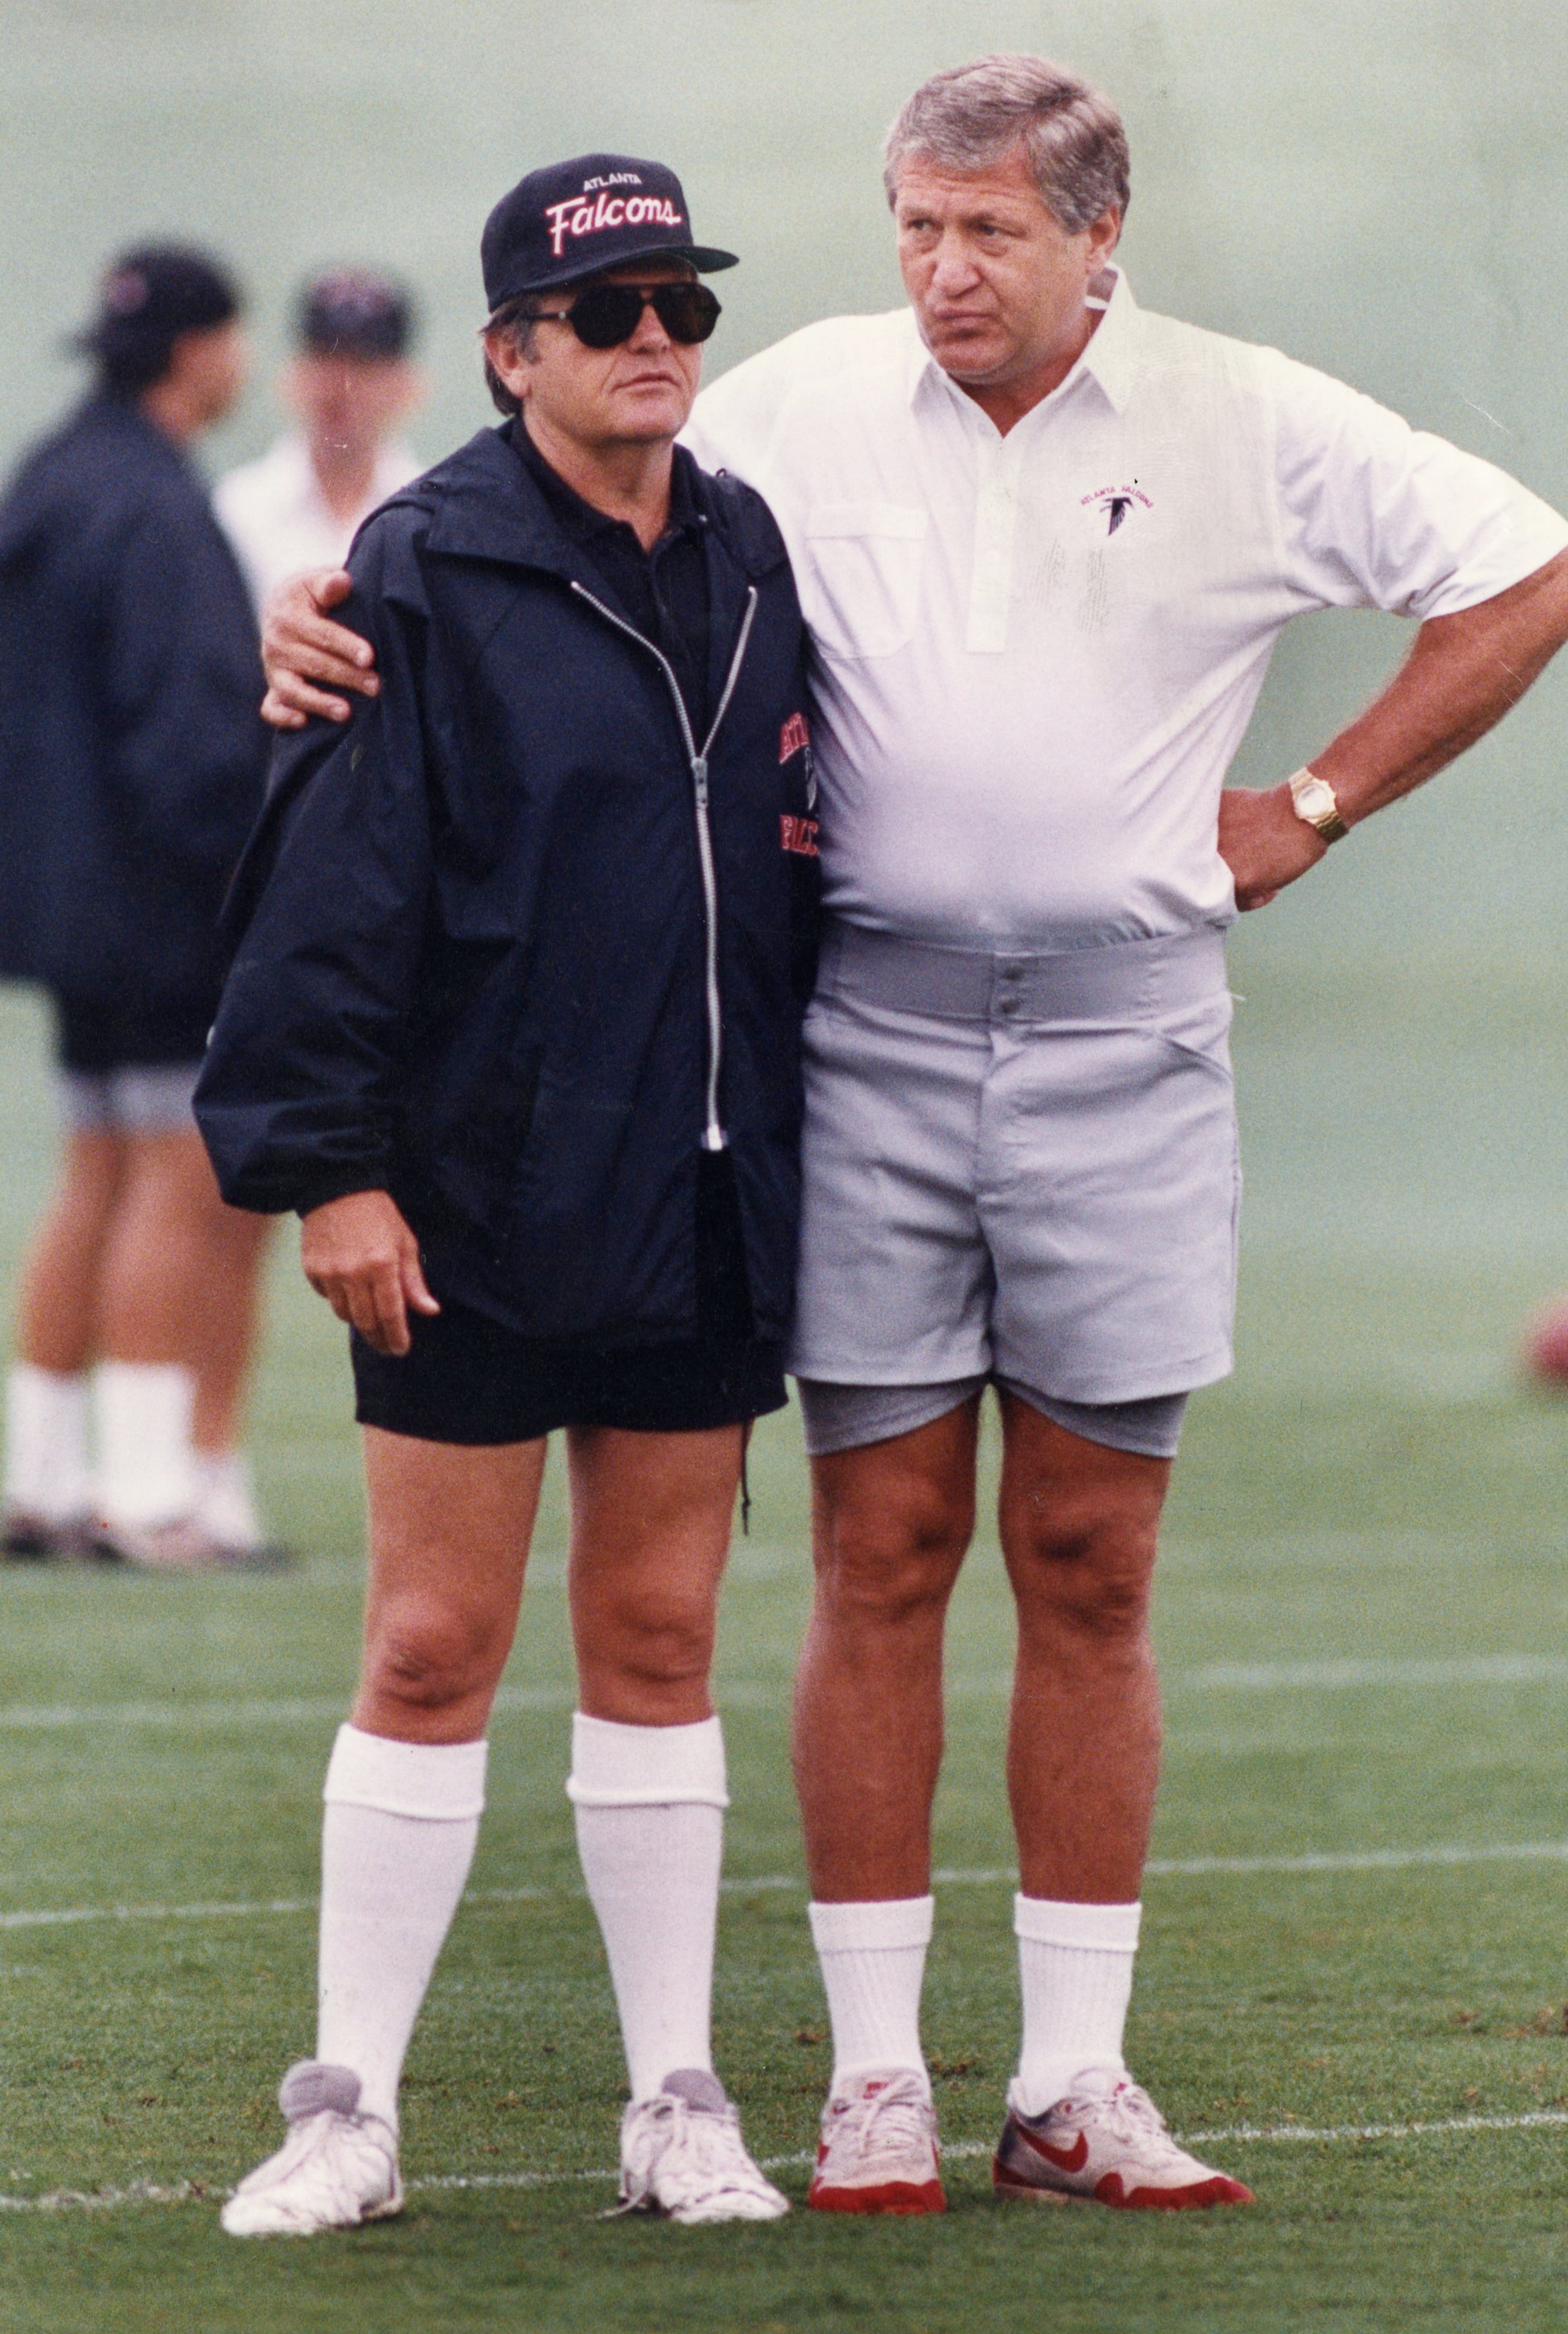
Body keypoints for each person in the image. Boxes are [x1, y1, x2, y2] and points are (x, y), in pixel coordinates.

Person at [260, 55, 1568, 2215]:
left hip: (1128, 1035)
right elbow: (527, 503)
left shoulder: (1241, 410)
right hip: (862, 1035)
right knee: (880, 1548)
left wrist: (1314, 804)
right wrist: (325, 610)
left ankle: (1073, 2077)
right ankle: (872, 2075)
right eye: (916, 223)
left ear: (1097, 238)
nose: (945, 270)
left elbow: (1538, 570)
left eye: (989, 231)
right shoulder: (793, 398)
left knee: (1092, 1554)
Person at [195, 154, 819, 2235]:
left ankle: (676, 2101)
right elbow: (326, 896)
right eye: (608, 308)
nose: (656, 337)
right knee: (435, 1638)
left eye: (680, 304)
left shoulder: (750, 549)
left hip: (709, 1192)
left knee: (659, 1630)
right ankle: (345, 2113)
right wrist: (332, 1174)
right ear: (509, 350)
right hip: (468, 1200)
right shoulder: (421, 563)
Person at [0, 245, 276, 1570]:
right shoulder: (156, 506)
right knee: (180, 1174)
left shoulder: (50, 478)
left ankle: (43, 1477)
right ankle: (149, 1492)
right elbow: (194, 739)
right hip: (162, 902)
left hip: (59, 903)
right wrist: (253, 879)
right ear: (197, 351)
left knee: (98, 1168)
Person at [215, 267, 423, 614]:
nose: (341, 385)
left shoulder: (432, 517)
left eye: (364, 364)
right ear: (292, 375)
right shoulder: (234, 512)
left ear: (407, 385)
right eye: (326, 359)